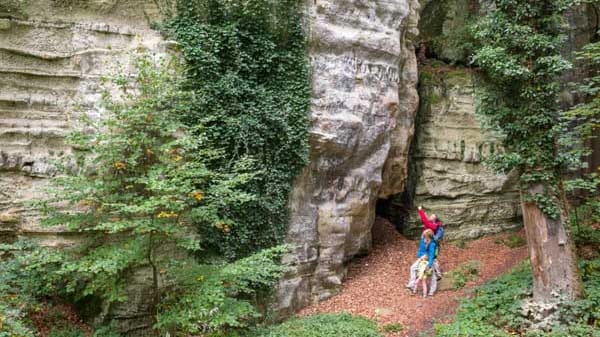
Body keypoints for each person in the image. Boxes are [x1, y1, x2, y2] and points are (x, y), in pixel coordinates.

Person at [406, 228, 437, 295]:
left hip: (430, 260)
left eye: (425, 238)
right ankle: (411, 285)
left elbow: (432, 255)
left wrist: (429, 265)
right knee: (413, 268)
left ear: (429, 238)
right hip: (422, 259)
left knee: (432, 274)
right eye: (424, 237)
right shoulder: (422, 241)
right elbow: (419, 251)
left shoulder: (432, 244)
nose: (424, 239)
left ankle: (432, 291)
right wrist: (421, 256)